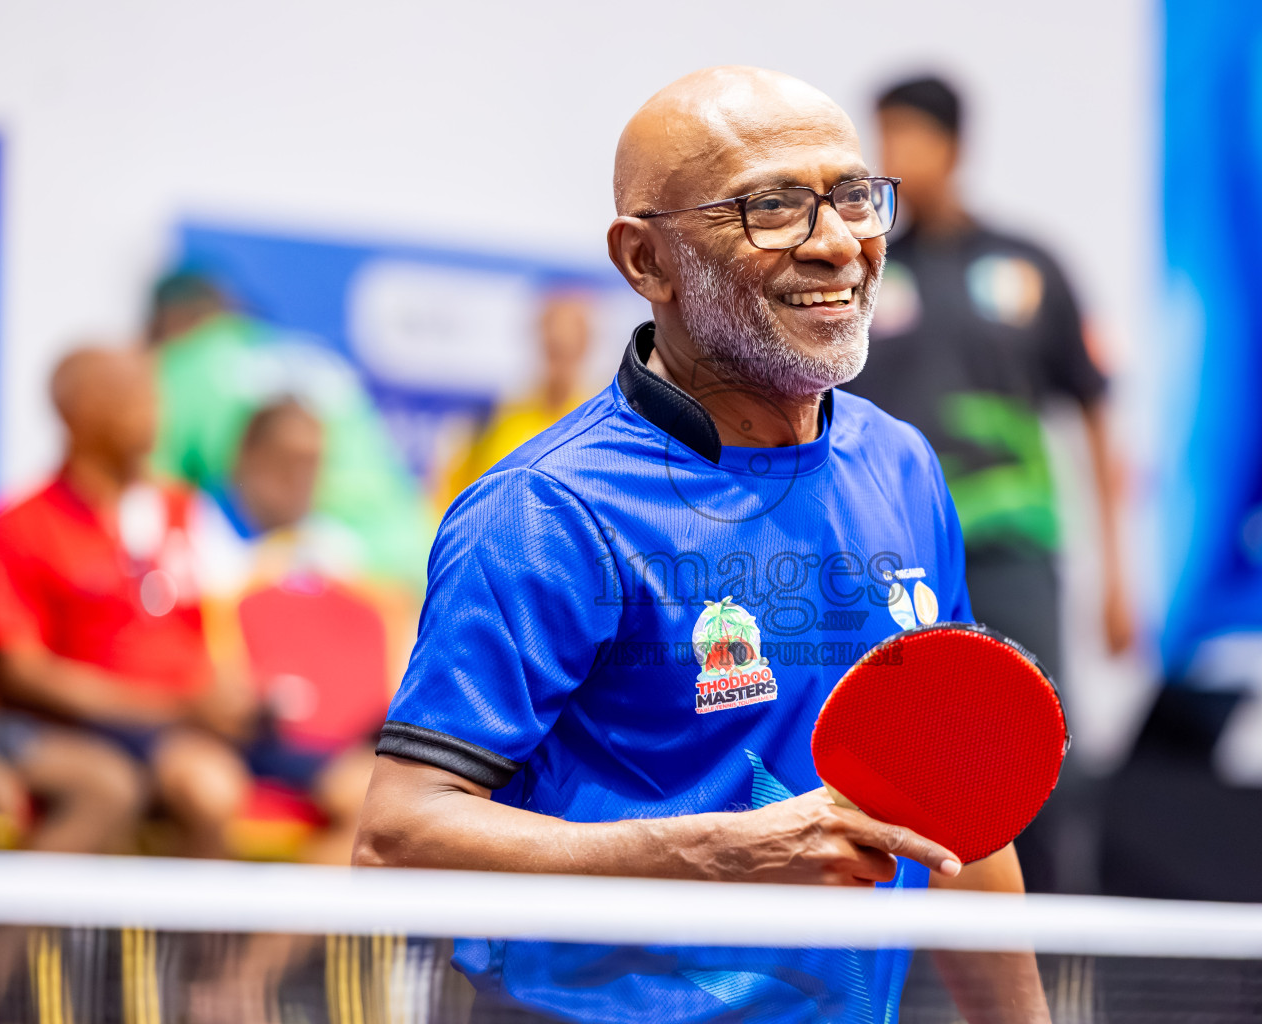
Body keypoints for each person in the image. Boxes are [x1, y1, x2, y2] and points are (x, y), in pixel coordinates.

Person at [354, 67, 1050, 1024]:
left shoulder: (902, 465)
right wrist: (711, 855)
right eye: (772, 207)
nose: (840, 242)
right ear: (647, 262)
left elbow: (954, 808)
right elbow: (397, 841)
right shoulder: (543, 511)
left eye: (853, 195)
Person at [845, 75, 1133, 894]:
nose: (893, 157)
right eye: (884, 137)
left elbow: (1097, 414)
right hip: (889, 550)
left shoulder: (1030, 266)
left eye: (911, 139)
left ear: (956, 148)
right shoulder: (860, 267)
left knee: (1042, 752)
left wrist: (1119, 578)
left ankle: (1059, 960)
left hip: (1011, 548)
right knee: (891, 754)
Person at [0, 347, 252, 858]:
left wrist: (232, 693)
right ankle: (10, 937)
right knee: (146, 786)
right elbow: (24, 673)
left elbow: (219, 625)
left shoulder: (181, 509)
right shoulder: (21, 526)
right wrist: (169, 708)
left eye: (152, 393)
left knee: (224, 788)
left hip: (188, 725)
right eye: (131, 394)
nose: (152, 410)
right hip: (72, 728)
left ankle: (205, 940)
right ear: (77, 411)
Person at [194, 398, 387, 866]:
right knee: (376, 802)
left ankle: (267, 940)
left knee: (392, 800)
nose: (301, 477)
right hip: (235, 734)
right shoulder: (197, 532)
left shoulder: (334, 548)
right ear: (248, 458)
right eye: (289, 460)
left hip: (328, 740)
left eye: (313, 463)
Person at [146, 272, 434, 585]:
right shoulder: (317, 359)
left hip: (310, 564)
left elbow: (145, 497)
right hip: (410, 562)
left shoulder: (185, 364)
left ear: (170, 322)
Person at [435, 292, 596, 509]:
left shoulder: (598, 423)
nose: (559, 362)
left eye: (567, 348)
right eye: (553, 347)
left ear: (585, 346)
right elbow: (450, 496)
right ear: (539, 342)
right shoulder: (494, 419)